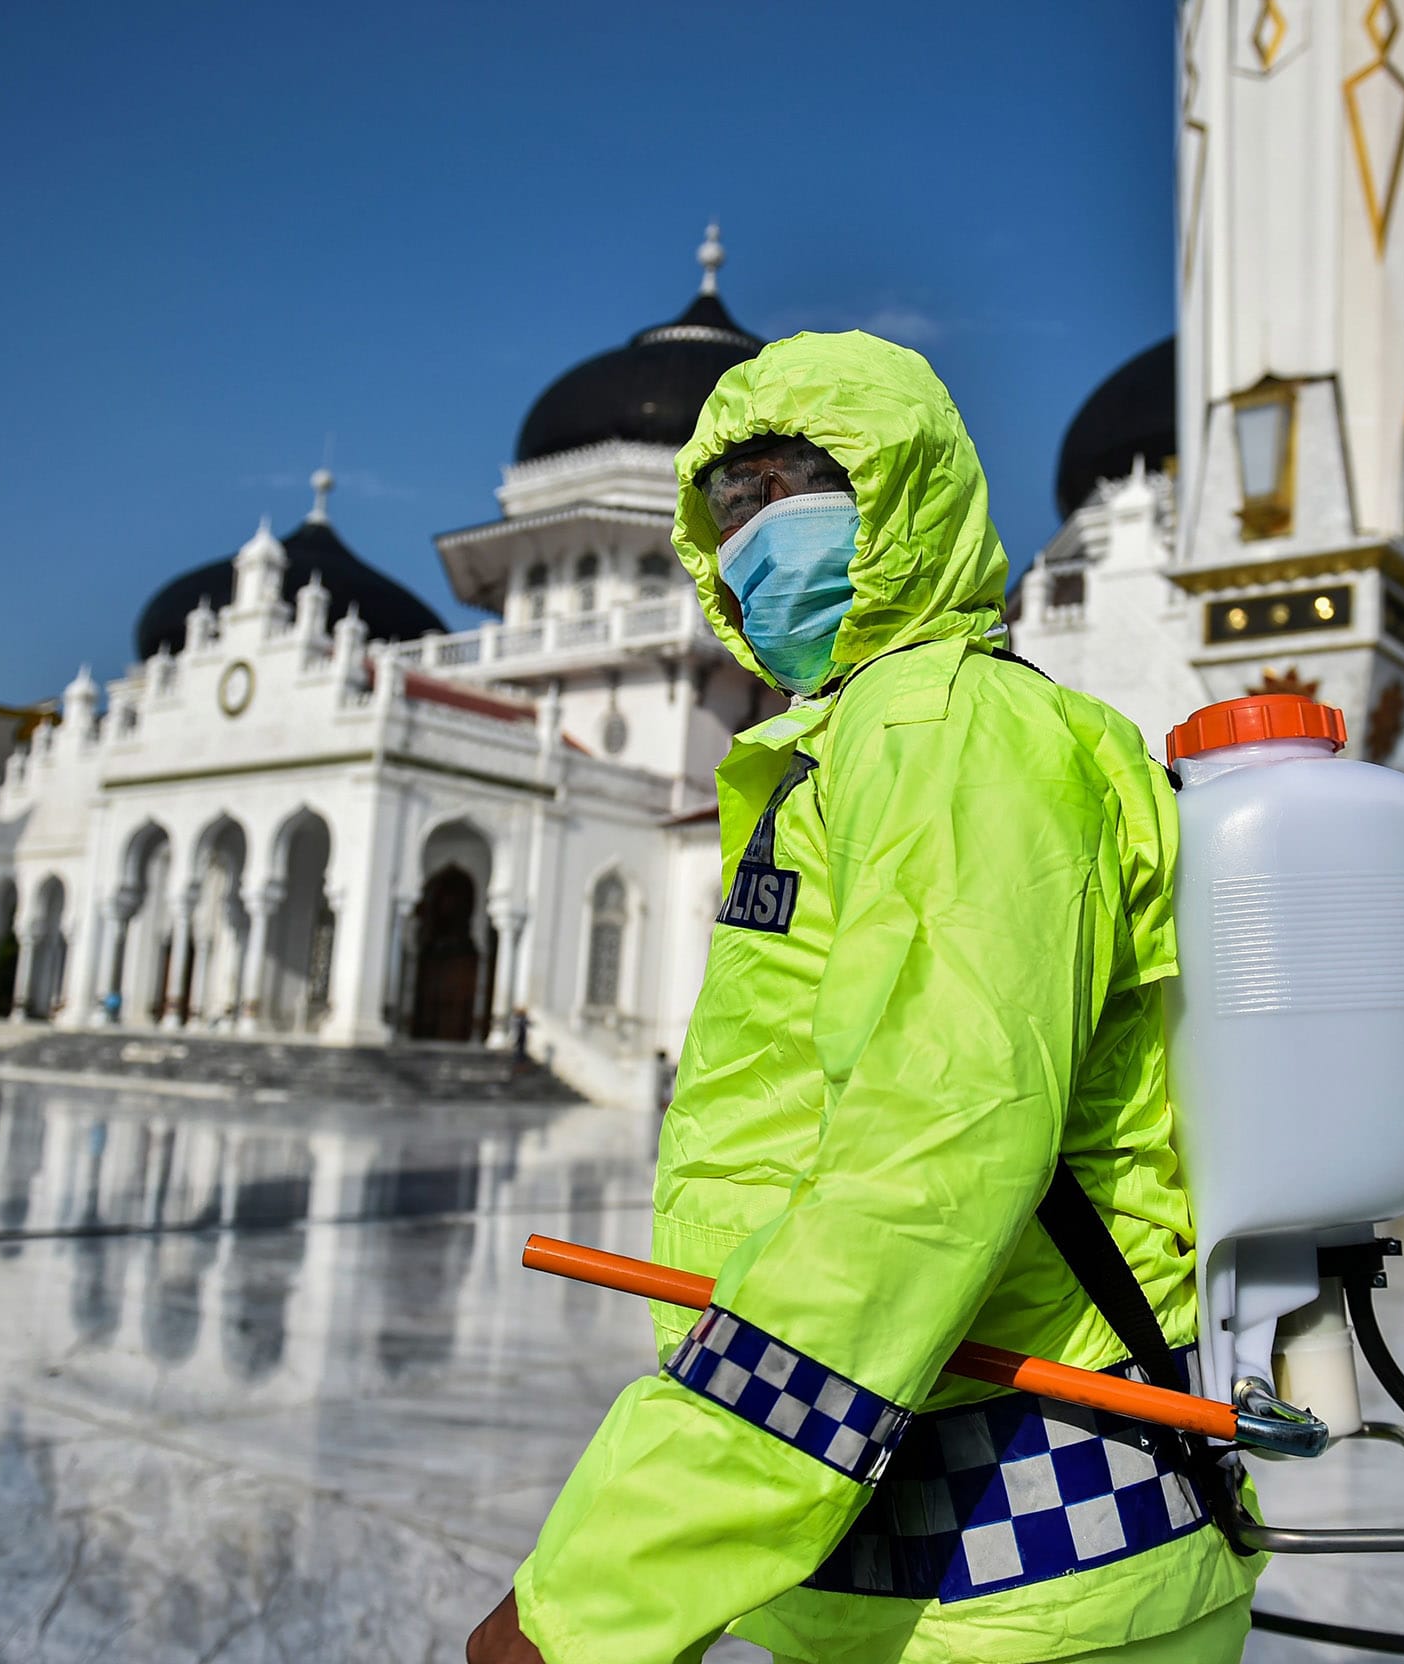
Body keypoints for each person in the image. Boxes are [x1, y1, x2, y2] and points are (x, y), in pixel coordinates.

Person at [469, 332, 1254, 1664]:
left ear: (908, 494)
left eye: (798, 482)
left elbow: (924, 1170)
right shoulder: (847, 746)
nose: (763, 531)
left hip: (1019, 1577)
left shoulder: (944, 729)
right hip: (932, 1563)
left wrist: (598, 1595)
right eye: (733, 503)